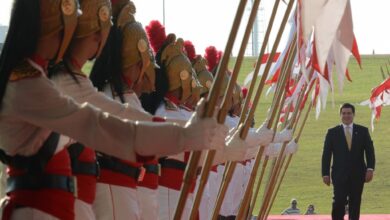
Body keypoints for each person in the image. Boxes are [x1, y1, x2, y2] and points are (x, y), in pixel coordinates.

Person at [0, 1, 227, 219]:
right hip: (42, 209)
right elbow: (100, 125)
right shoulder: (32, 84)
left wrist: (187, 131)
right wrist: (185, 134)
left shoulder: (39, 79)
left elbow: (125, 118)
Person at [322, 103, 375, 220]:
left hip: (358, 174)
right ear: (340, 115)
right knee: (338, 202)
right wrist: (325, 174)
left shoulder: (363, 131)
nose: (346, 116)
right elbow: (326, 154)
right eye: (344, 113)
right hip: (339, 175)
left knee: (355, 203)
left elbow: (370, 152)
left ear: (353, 114)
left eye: (349, 113)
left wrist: (370, 169)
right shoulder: (332, 133)